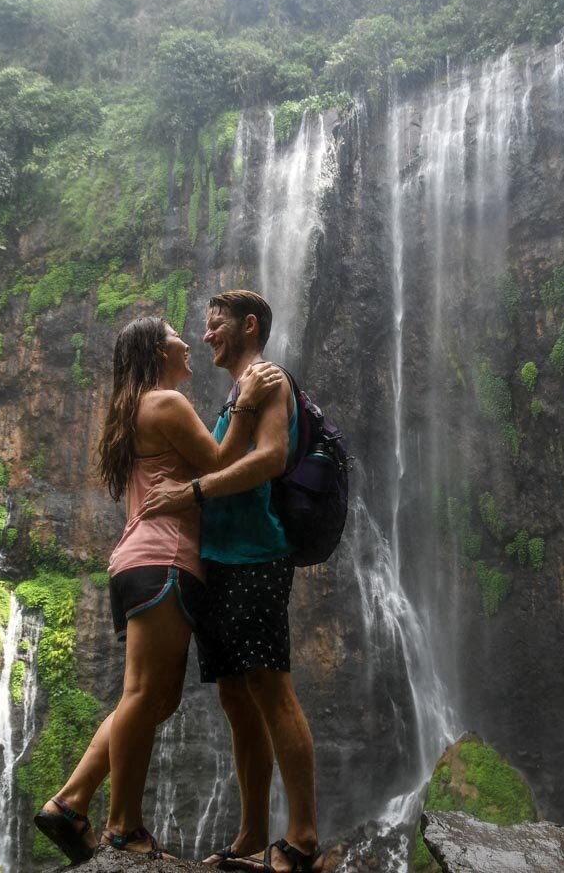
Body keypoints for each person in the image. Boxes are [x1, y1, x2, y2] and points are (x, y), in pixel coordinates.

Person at [34, 316, 279, 862]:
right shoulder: (164, 402)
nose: (187, 342)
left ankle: (72, 802)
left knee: (156, 697)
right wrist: (244, 402)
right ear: (153, 350)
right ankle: (121, 827)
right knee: (145, 694)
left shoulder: (139, 407)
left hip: (146, 560)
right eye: (173, 335)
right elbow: (219, 462)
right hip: (162, 558)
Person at [138, 290, 325, 873]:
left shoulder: (271, 380)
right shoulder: (238, 393)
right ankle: (250, 835)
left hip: (254, 558)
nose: (208, 334)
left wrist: (192, 492)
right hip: (217, 562)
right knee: (237, 701)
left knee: (272, 689)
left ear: (249, 326)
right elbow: (223, 456)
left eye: (217, 326)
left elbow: (269, 458)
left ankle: (301, 837)